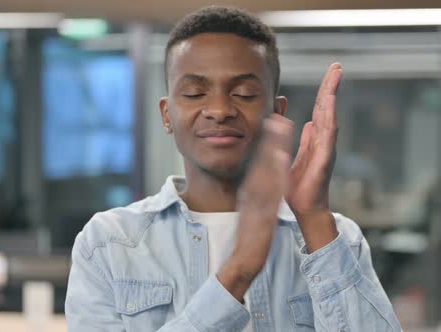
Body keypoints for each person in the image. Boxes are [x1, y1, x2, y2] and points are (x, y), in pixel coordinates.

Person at [65, 6, 401, 331]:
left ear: (277, 112)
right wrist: (238, 271)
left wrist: (313, 216)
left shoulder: (336, 239)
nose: (220, 109)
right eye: (195, 93)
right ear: (167, 114)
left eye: (243, 93)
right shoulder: (109, 244)